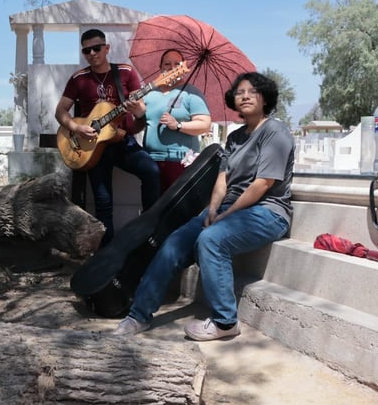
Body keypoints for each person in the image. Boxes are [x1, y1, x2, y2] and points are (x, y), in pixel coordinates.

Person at [113, 72, 294, 341]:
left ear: (265, 97)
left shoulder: (275, 131)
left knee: (210, 239)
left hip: (267, 211)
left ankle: (225, 321)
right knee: (174, 241)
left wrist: (225, 215)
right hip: (229, 210)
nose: (244, 96)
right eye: (240, 91)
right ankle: (138, 315)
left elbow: (263, 185)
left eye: (252, 91)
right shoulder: (234, 138)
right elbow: (223, 180)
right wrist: (212, 210)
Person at [55, 29, 160, 246]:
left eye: (96, 48)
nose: (92, 53)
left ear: (107, 48)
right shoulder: (78, 78)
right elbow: (60, 111)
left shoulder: (126, 72)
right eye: (86, 50)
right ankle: (107, 253)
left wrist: (139, 112)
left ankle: (149, 230)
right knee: (103, 203)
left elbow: (139, 123)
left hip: (121, 141)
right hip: (92, 146)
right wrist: (77, 127)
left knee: (151, 171)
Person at [142, 49, 212, 192]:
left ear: (183, 68)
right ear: (160, 68)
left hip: (179, 161)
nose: (172, 67)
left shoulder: (192, 93)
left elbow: (205, 124)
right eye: (167, 63)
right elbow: (139, 122)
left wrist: (178, 125)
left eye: (177, 64)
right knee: (150, 208)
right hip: (150, 161)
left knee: (175, 209)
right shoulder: (149, 94)